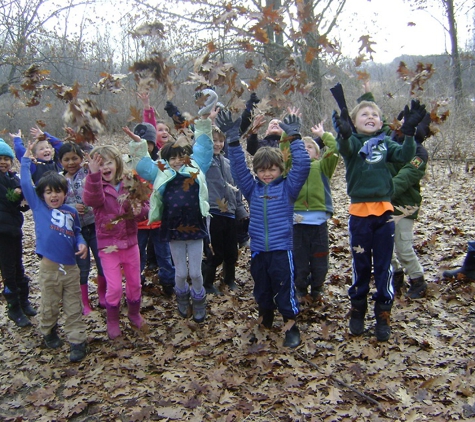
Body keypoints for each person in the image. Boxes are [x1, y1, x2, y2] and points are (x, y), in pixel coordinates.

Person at [332, 99, 426, 342]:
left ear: (381, 122)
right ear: (355, 122)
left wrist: (408, 132)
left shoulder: (385, 143)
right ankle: (358, 309)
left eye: (374, 113)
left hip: (384, 215)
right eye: (364, 114)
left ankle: (383, 312)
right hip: (359, 217)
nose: (370, 116)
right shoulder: (353, 142)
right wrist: (343, 133)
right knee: (361, 266)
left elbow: (405, 155)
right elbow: (345, 148)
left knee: (384, 266)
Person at [217, 109, 311, 348]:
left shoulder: (288, 189)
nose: (267, 173)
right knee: (262, 287)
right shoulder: (252, 189)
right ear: (257, 171)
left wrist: (295, 137)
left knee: (284, 287)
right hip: (259, 250)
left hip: (282, 250)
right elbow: (238, 169)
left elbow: (302, 166)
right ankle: (266, 315)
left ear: (280, 169)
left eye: (272, 169)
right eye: (262, 170)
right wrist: (232, 139)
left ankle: (290, 323)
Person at [128, 89, 218, 323]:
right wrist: (139, 146)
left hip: (196, 228)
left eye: (182, 156)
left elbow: (205, 148)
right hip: (173, 230)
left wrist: (204, 121)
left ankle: (199, 300)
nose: (178, 161)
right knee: (180, 273)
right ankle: (182, 297)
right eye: (173, 157)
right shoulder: (161, 171)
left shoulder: (196, 167)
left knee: (196, 272)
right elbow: (142, 165)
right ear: (166, 160)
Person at [20, 140, 88, 362]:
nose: (54, 196)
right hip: (49, 268)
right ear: (43, 195)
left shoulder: (71, 211)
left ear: (65, 193)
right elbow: (26, 184)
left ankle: (77, 340)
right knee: (49, 305)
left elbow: (77, 232)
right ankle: (48, 330)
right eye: (49, 192)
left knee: (72, 306)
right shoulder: (39, 207)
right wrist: (25, 159)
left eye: (58, 191)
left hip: (71, 268)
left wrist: (81, 242)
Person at [82, 145, 149, 339]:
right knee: (115, 287)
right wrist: (93, 176)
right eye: (100, 164)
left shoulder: (130, 181)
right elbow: (92, 200)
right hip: (108, 246)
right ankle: (112, 320)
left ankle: (134, 314)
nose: (105, 168)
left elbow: (145, 205)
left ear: (117, 163)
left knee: (135, 283)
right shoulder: (94, 185)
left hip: (130, 243)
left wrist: (140, 211)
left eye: (109, 162)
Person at [123, 123, 176, 297]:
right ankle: (135, 283)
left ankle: (168, 282)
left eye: (148, 142)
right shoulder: (129, 168)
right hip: (138, 223)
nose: (146, 146)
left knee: (164, 255)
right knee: (138, 256)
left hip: (159, 221)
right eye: (142, 142)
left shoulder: (159, 166)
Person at [290, 123, 340, 300]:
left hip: (319, 224)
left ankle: (318, 286)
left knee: (320, 261)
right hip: (297, 223)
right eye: (302, 147)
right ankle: (301, 288)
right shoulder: (292, 168)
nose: (305, 149)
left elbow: (335, 148)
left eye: (310, 146)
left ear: (318, 154)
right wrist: (287, 136)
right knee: (299, 260)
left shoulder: (322, 167)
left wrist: (323, 134)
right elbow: (283, 153)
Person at [58, 142, 107, 314]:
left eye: (74, 158)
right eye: (66, 160)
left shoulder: (86, 172)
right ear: (60, 161)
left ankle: (102, 294)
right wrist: (70, 206)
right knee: (82, 267)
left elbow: (99, 178)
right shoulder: (59, 180)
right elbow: (54, 203)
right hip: (75, 231)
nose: (71, 162)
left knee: (102, 262)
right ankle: (85, 302)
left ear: (80, 158)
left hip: (95, 225)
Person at [388, 110, 431, 299]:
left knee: (403, 247)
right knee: (385, 248)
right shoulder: (388, 143)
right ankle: (396, 275)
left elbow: (407, 176)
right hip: (384, 206)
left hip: (404, 207)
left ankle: (417, 279)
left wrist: (385, 192)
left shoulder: (419, 153)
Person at [202, 125, 248, 295]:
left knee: (231, 251)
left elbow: (235, 189)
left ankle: (229, 278)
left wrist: (241, 210)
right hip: (213, 212)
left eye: (221, 141)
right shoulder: (203, 163)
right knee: (216, 252)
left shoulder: (228, 163)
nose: (218, 144)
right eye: (214, 140)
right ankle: (207, 282)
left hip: (230, 213)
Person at [0, 138, 35, 327]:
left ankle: (24, 301)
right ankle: (13, 307)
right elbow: (10, 198)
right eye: (0, 158)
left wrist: (22, 195)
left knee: (18, 266)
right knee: (8, 271)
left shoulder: (13, 178)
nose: (3, 162)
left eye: (7, 158)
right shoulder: (7, 180)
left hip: (14, 230)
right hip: (2, 233)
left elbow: (21, 206)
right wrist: (15, 193)